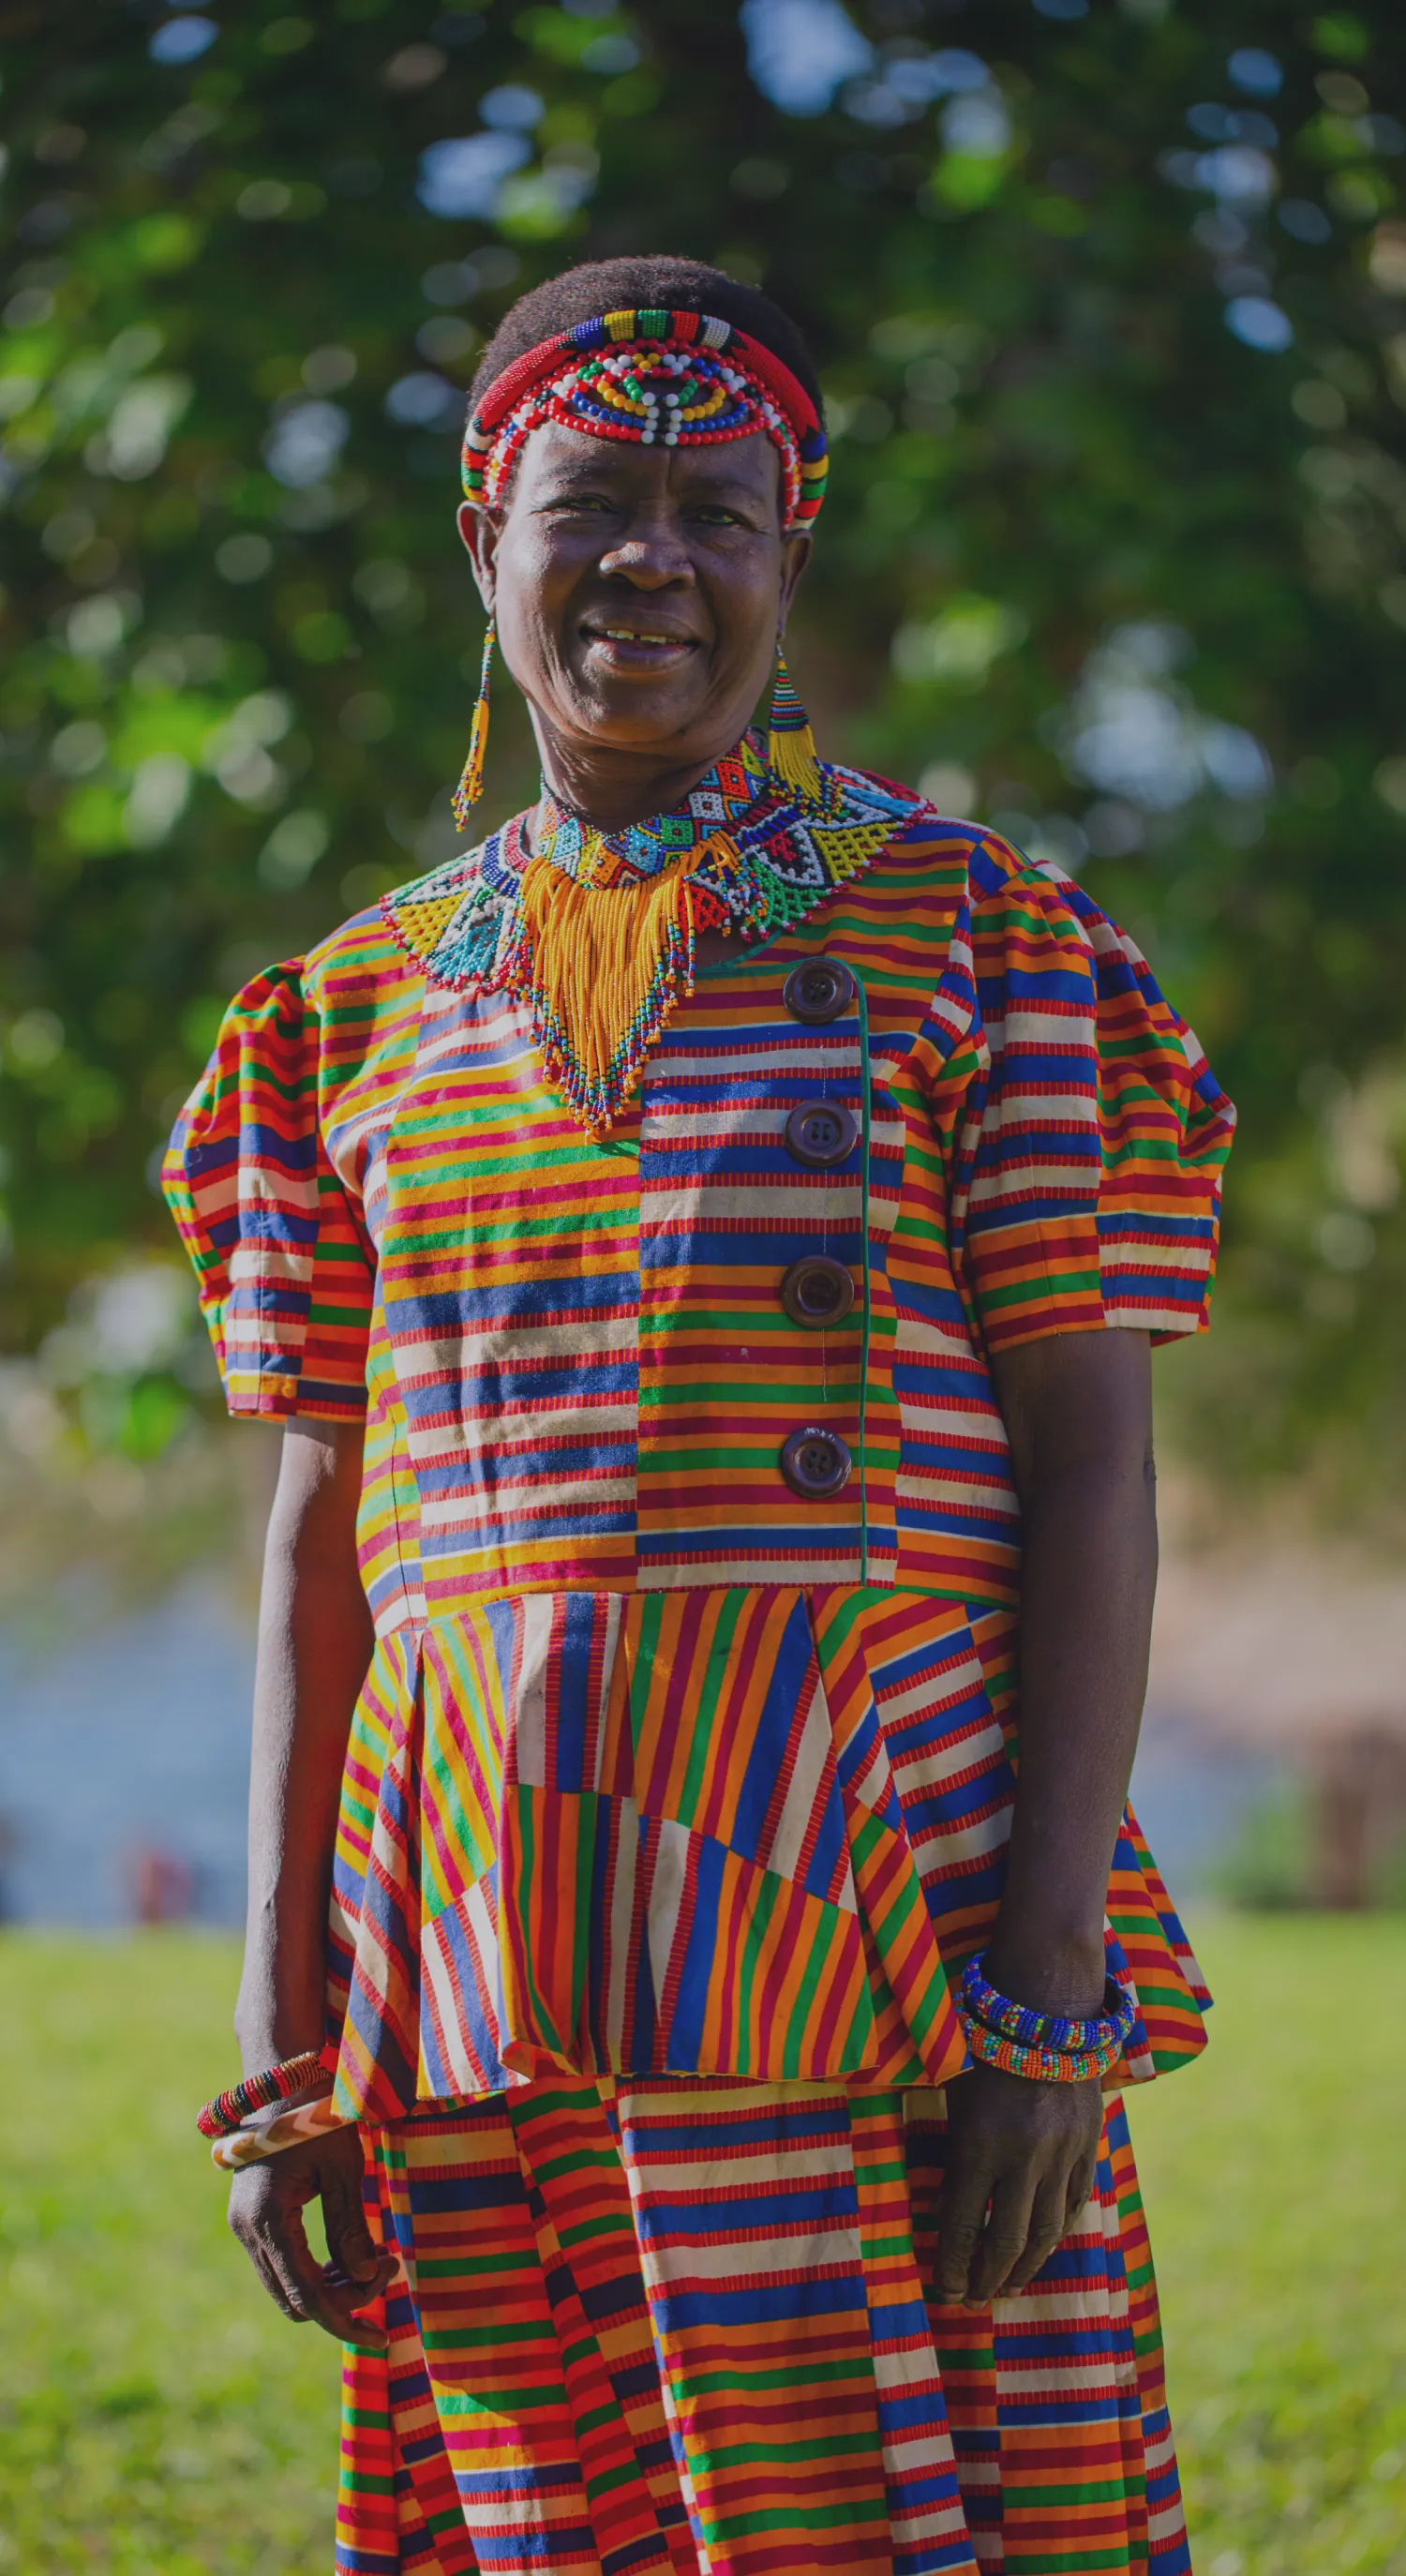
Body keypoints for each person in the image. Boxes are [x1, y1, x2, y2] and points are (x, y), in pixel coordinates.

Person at [166, 256, 1234, 2576]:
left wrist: (1049, 1972)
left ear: (790, 556)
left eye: (717, 512)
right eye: (591, 505)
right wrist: (281, 2032)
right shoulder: (346, 1017)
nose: (654, 562)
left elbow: (1089, 1466)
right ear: (486, 543)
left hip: (885, 1922)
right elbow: (319, 1531)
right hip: (476, 1946)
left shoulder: (980, 942)